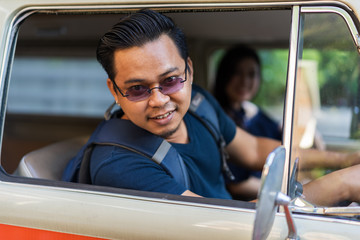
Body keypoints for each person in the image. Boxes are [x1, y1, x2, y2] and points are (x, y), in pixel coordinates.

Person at [63, 9, 360, 206]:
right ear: (115, 91)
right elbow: (221, 224)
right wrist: (342, 185)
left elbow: (256, 149)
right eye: (137, 88)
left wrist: (344, 160)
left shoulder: (199, 105)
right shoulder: (117, 163)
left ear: (189, 73)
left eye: (170, 80)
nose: (158, 99)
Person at [213, 45, 281, 200]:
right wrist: (283, 191)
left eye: (252, 74)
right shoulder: (218, 118)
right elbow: (236, 185)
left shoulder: (246, 113)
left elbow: (278, 131)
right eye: (237, 73)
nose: (245, 81)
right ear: (224, 75)